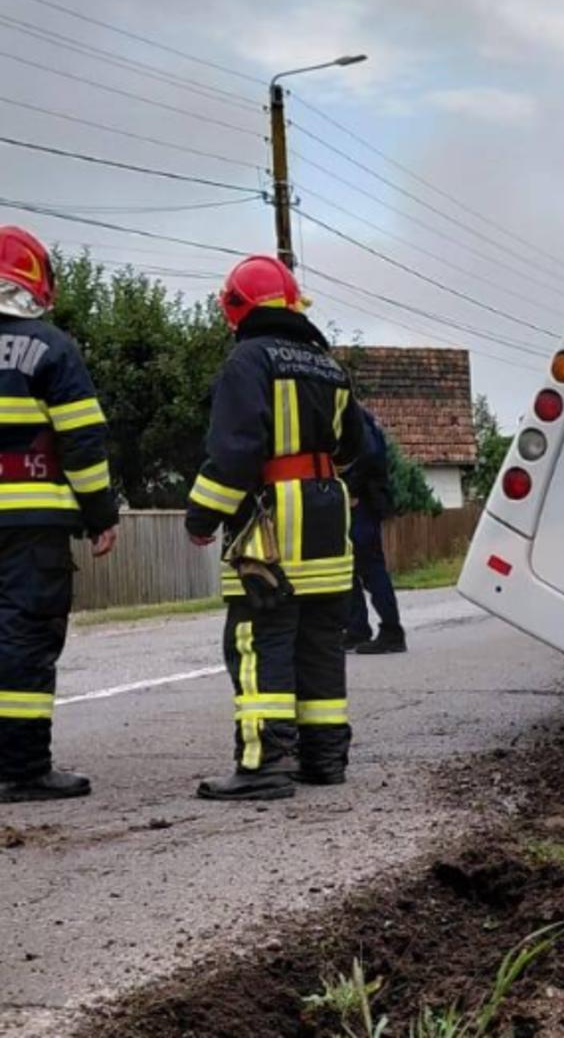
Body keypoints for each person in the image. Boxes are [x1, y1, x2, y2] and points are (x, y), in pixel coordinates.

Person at [185, 255, 366, 801]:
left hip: (271, 527)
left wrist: (202, 515)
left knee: (260, 641)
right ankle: (324, 759)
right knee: (319, 645)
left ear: (235, 308)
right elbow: (354, 447)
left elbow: (234, 452)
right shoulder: (328, 365)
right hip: (329, 520)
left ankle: (264, 765)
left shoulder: (248, 360)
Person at [0, 225, 118, 803]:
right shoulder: (51, 348)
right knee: (24, 638)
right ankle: (21, 768)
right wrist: (100, 514)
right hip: (31, 527)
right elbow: (82, 441)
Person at [343, 404, 405, 655]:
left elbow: (369, 456)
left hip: (362, 502)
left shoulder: (353, 417)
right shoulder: (357, 416)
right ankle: (357, 629)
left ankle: (391, 631)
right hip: (359, 501)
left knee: (370, 567)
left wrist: (352, 489)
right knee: (348, 567)